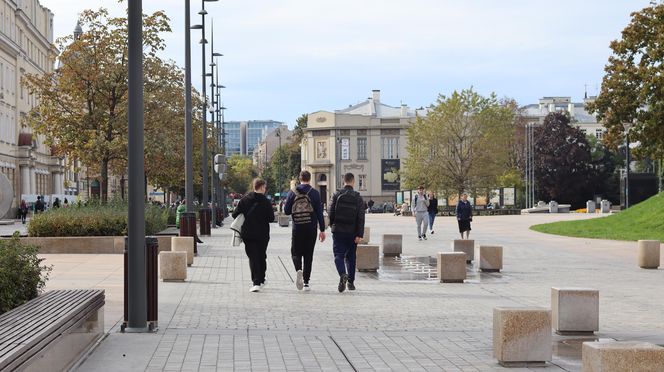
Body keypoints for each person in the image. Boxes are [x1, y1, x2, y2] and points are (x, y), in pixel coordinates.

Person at [284, 170, 326, 291]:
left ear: (300, 178)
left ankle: (298, 270)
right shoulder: (315, 193)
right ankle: (306, 282)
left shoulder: (292, 192)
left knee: (295, 253)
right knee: (309, 255)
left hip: (297, 228)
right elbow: (319, 212)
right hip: (311, 228)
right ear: (309, 179)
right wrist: (322, 229)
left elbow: (286, 211)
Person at [232, 178, 275, 293]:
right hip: (263, 234)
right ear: (261, 187)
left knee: (253, 257)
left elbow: (234, 214)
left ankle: (256, 282)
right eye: (265, 187)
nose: (265, 189)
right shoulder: (266, 201)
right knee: (262, 256)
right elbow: (271, 218)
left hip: (248, 234)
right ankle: (261, 278)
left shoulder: (244, 200)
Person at [328, 172, 365, 293]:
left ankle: (342, 273)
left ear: (344, 181)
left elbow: (331, 212)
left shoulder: (336, 194)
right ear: (353, 182)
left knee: (338, 255)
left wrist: (332, 224)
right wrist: (360, 234)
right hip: (352, 232)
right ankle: (351, 282)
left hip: (338, 230)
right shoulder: (358, 197)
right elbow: (361, 217)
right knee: (351, 257)